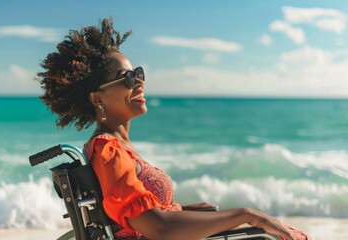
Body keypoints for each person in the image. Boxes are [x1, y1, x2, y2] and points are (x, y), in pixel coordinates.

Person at [37, 16, 310, 240]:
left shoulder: (117, 147)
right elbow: (159, 227)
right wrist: (247, 214)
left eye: (139, 74)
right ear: (97, 98)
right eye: (128, 78)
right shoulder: (108, 151)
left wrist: (186, 210)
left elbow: (136, 218)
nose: (140, 83)